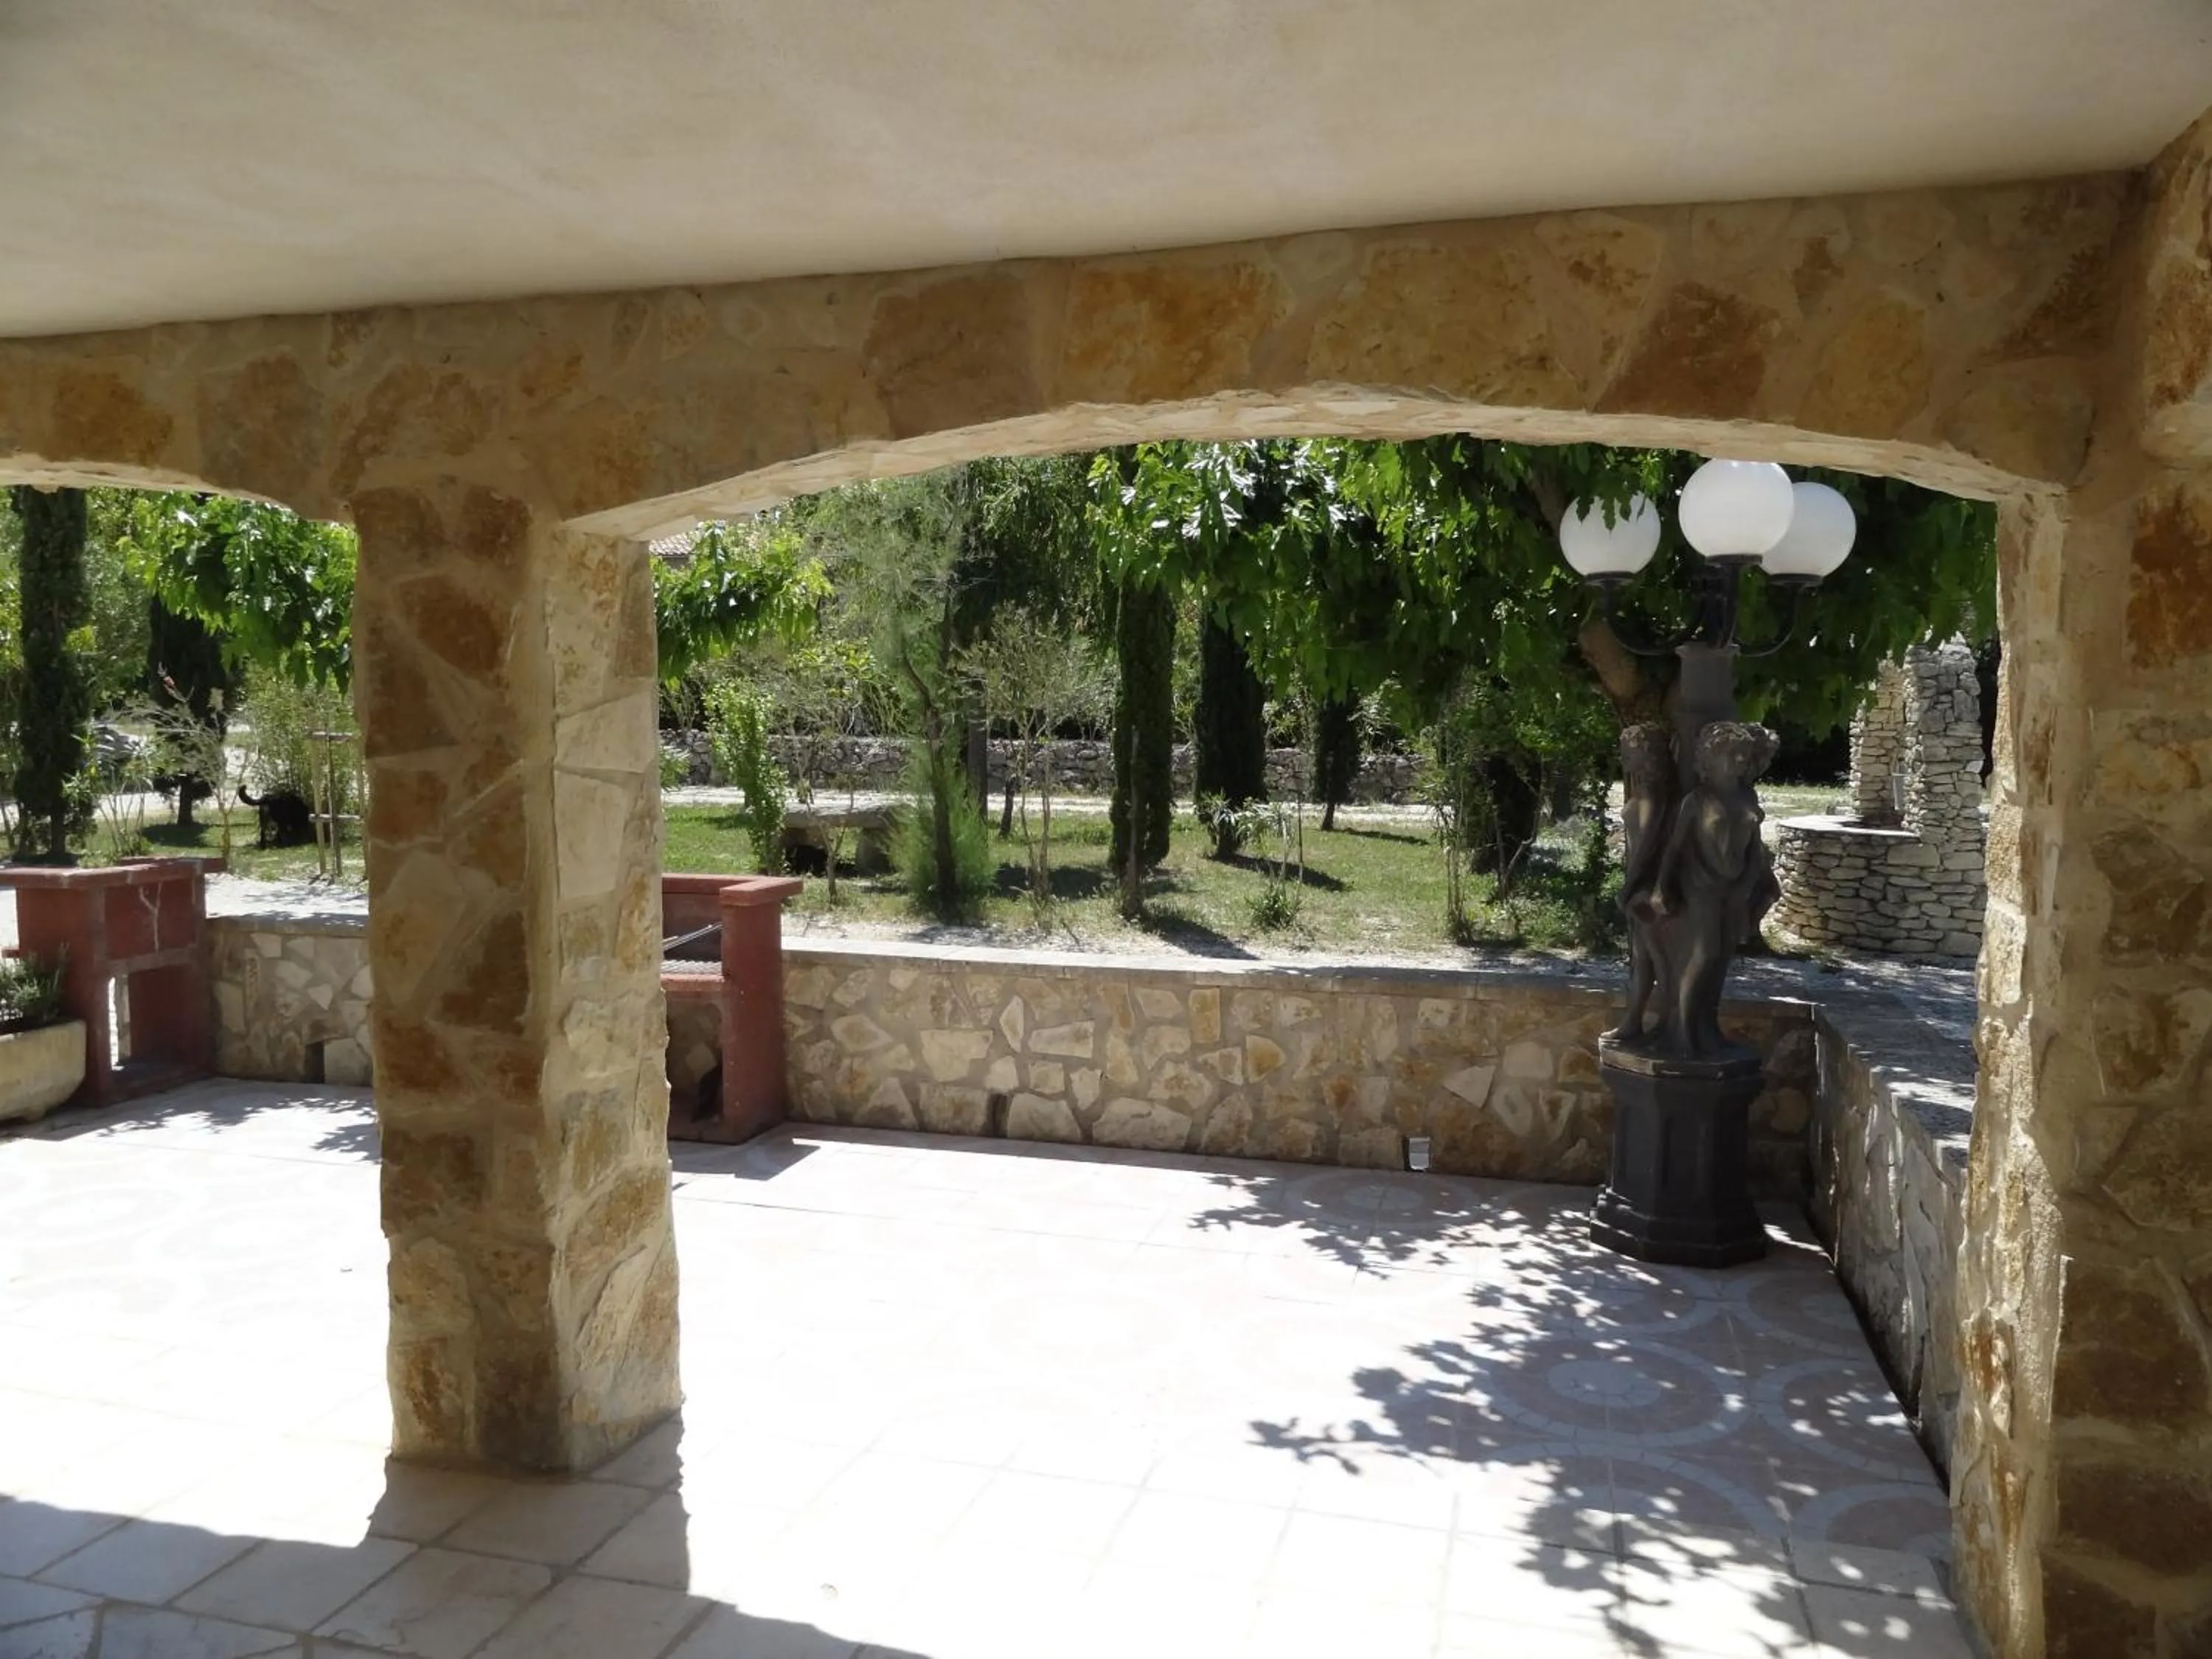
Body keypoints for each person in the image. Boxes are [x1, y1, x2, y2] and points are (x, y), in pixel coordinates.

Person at [1646, 721, 1780, 1058]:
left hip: (1736, 888)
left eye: (1743, 754)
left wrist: (1755, 881)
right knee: (1703, 953)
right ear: (1711, 758)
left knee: (1722, 958)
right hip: (1701, 886)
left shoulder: (1747, 797)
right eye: (1731, 754)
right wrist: (1661, 887)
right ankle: (1682, 1030)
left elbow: (1754, 846)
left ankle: (1708, 1029)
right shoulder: (1697, 801)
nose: (1740, 760)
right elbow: (1674, 849)